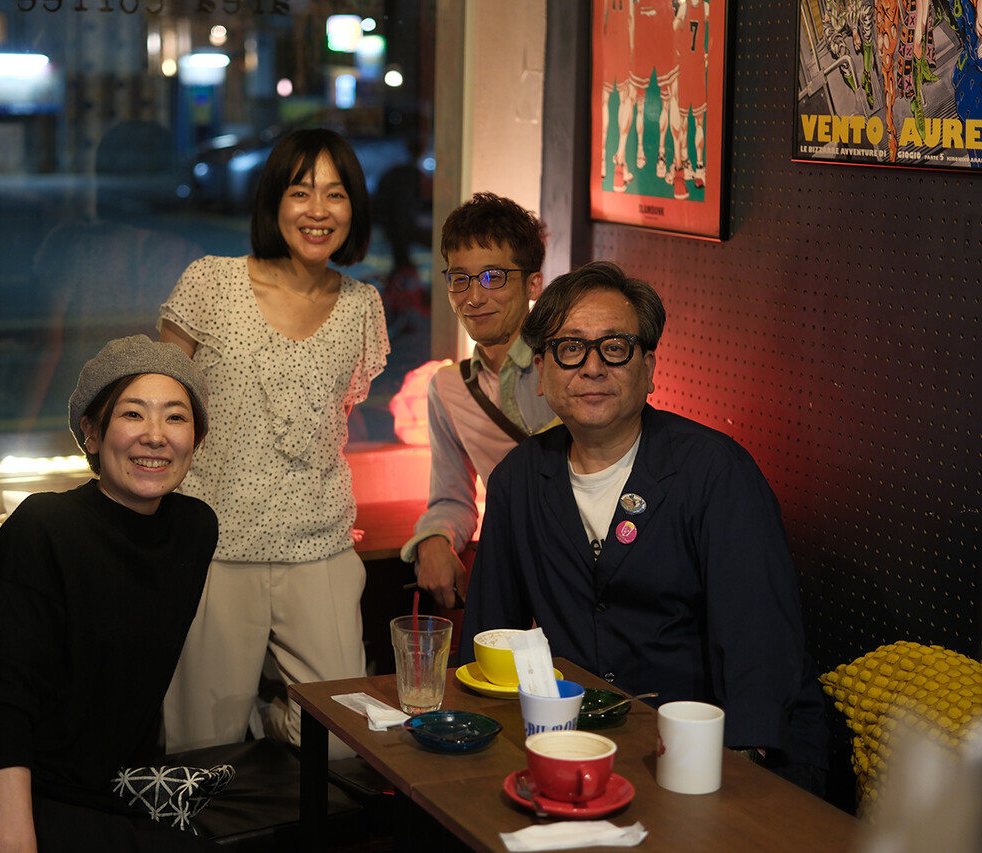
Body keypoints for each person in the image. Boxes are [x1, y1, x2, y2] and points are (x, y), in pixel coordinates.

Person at [460, 261, 829, 792]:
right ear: (540, 371)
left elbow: (761, 645)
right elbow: (491, 638)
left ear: (649, 366)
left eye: (615, 348)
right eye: (570, 348)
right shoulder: (517, 480)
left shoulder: (715, 473)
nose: (592, 368)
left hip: (723, 749)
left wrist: (732, 771)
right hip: (582, 742)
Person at [0, 335, 222, 852]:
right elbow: (4, 700)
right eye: (132, 414)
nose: (155, 436)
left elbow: (132, 680)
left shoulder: (194, 529)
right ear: (91, 433)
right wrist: (18, 842)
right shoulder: (44, 526)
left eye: (175, 417)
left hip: (83, 785)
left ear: (196, 438)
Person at [159, 128, 389, 760]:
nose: (319, 210)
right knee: (200, 748)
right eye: (301, 191)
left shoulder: (362, 306)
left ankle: (271, 720)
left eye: (336, 194)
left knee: (344, 743)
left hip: (318, 546)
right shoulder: (210, 282)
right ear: (274, 202)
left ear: (354, 208)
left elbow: (333, 419)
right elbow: (160, 411)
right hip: (215, 544)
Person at [400, 192, 556, 613]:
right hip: (512, 572)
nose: (473, 297)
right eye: (460, 279)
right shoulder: (448, 388)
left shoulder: (566, 365)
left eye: (493, 277)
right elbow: (452, 498)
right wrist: (434, 538)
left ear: (533, 284)